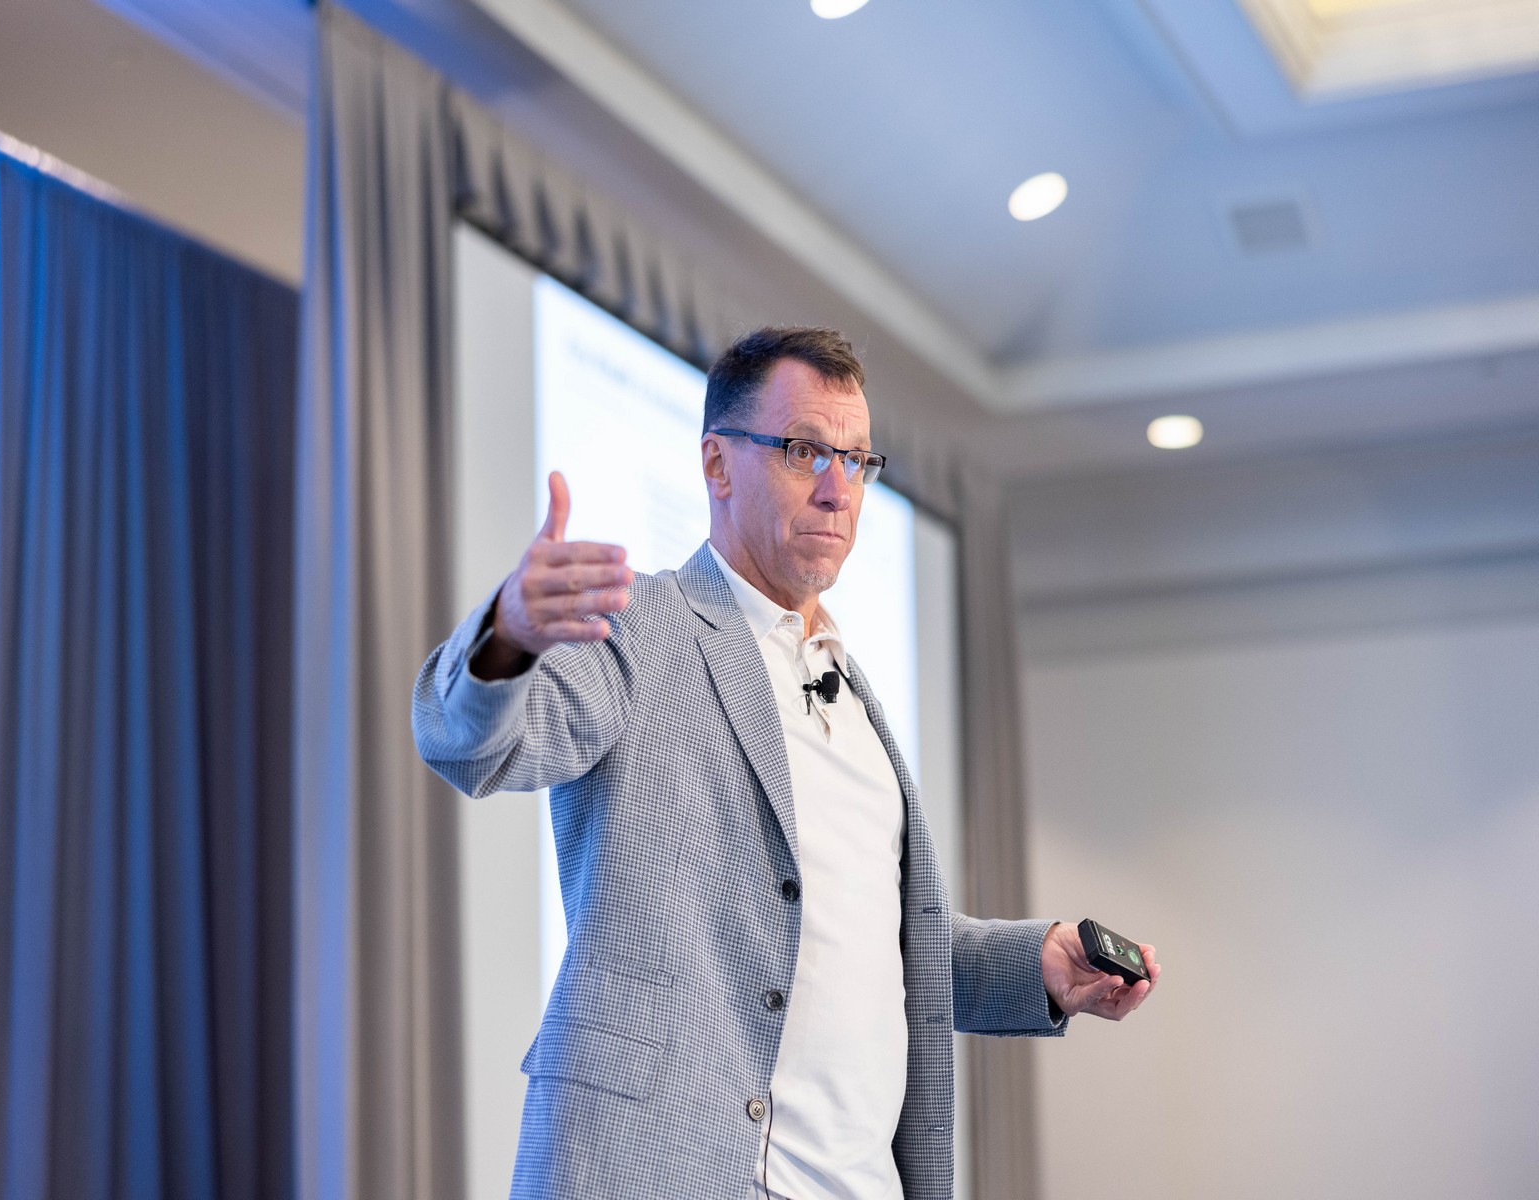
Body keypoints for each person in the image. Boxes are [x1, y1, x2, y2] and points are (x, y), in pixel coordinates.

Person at [412, 327, 1158, 1200]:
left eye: (857, 460)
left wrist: (1039, 966)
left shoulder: (851, 691)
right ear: (717, 465)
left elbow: (866, 946)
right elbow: (473, 744)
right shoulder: (639, 628)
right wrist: (506, 636)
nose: (839, 490)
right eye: (805, 452)